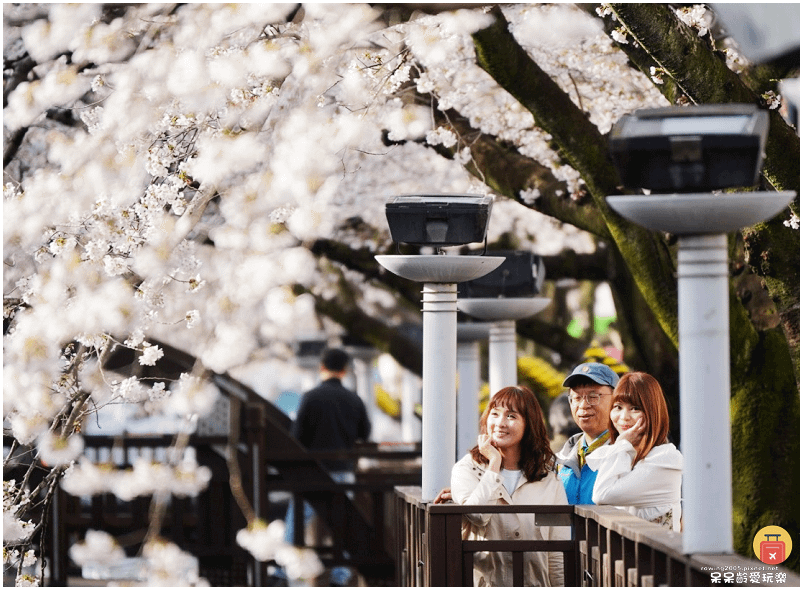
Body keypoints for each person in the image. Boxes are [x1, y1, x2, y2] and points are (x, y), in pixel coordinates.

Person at [451, 386, 569, 587]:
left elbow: (557, 548)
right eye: (494, 414)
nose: (500, 423)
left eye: (511, 416)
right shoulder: (468, 469)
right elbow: (478, 515)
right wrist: (494, 464)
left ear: (528, 424)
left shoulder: (547, 476)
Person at [285, 347, 371, 586]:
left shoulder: (311, 397)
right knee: (342, 523)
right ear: (345, 370)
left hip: (313, 471)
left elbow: (297, 436)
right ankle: (341, 575)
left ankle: (286, 571)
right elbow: (365, 433)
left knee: (297, 522)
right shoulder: (354, 399)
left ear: (321, 367)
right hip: (344, 470)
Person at [586, 372, 683, 531]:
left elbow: (601, 495)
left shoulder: (664, 460)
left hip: (656, 555)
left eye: (635, 408)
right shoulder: (627, 454)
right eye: (618, 407)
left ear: (652, 413)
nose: (624, 417)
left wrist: (622, 444)